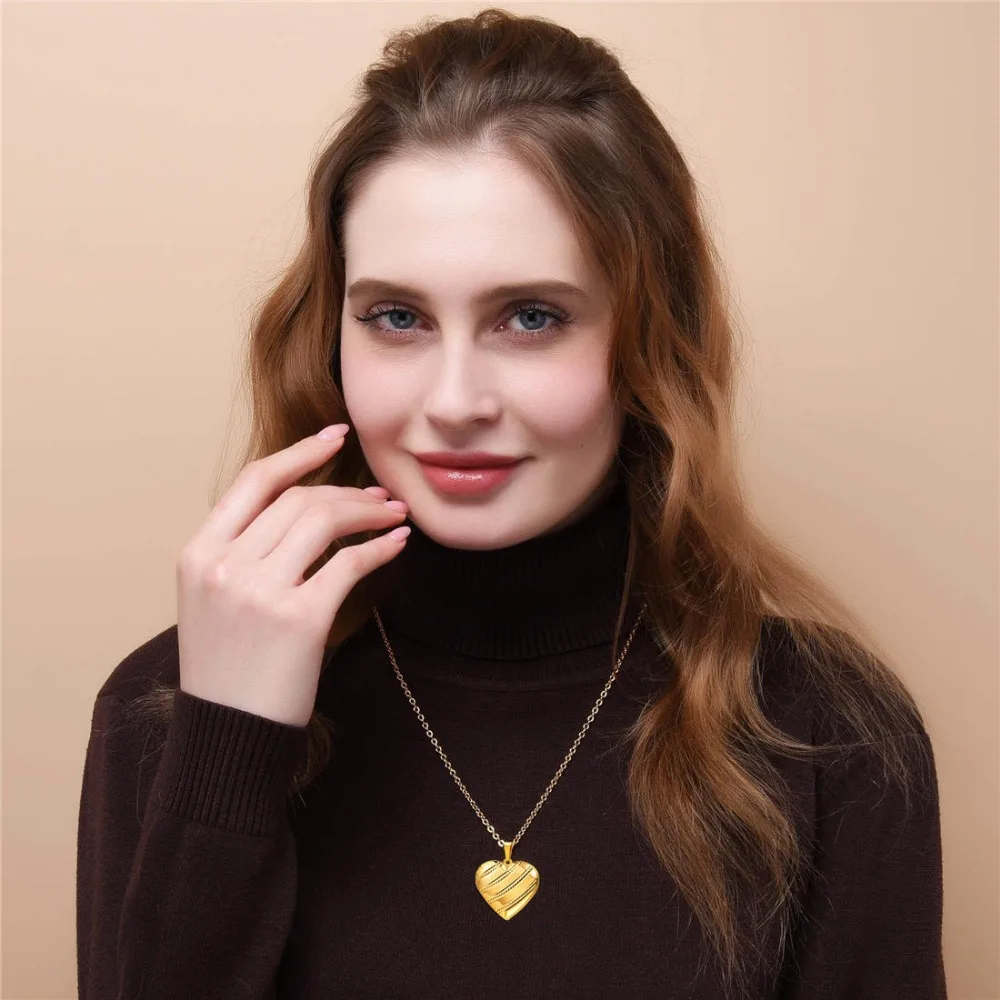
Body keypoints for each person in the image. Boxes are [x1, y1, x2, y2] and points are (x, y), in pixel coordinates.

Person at [75, 8, 947, 999]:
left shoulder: (829, 729)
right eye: (395, 317)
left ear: (648, 339)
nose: (454, 403)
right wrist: (228, 742)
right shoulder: (172, 707)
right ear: (330, 339)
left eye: (531, 317)